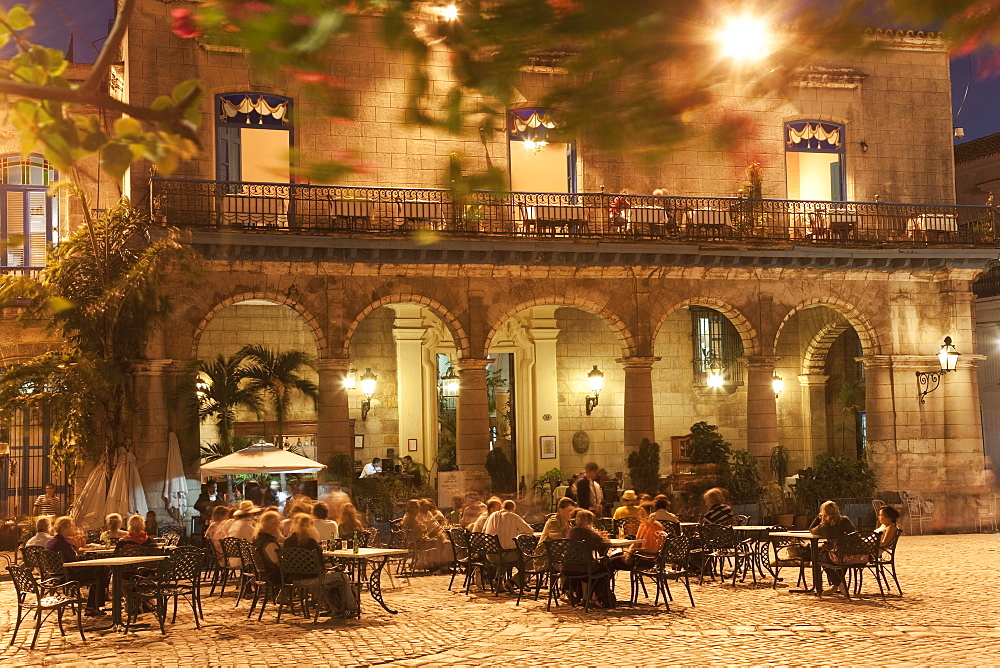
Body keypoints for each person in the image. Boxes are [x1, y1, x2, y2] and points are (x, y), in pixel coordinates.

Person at [283, 513, 358, 616]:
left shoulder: (287, 542)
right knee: (342, 577)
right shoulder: (311, 543)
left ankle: (335, 609)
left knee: (325, 580)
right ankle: (352, 608)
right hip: (313, 579)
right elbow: (320, 563)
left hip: (295, 579)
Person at [46, 516, 109, 614]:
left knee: (100, 569)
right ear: (65, 528)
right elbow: (73, 561)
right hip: (69, 575)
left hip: (57, 574)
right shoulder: (63, 543)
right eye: (72, 526)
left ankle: (96, 604)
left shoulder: (52, 541)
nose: (74, 529)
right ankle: (93, 606)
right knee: (100, 571)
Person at [565, 509, 615, 608]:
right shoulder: (589, 533)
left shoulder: (571, 531)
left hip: (567, 567)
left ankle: (585, 597)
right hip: (584, 568)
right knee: (605, 569)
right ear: (590, 520)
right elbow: (600, 542)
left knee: (587, 565)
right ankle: (595, 597)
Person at [810, 500, 859, 596]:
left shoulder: (824, 527)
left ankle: (837, 583)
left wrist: (817, 518)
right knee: (841, 557)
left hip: (836, 555)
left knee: (817, 557)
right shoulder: (845, 520)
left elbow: (811, 529)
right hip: (850, 554)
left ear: (824, 513)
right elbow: (854, 534)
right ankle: (837, 584)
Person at [401, 499, 452, 570]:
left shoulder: (411, 516)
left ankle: (440, 564)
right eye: (416, 507)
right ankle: (440, 565)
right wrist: (426, 529)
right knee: (441, 542)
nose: (419, 509)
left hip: (417, 541)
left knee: (441, 539)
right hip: (416, 543)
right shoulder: (410, 518)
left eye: (419, 507)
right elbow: (421, 530)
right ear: (410, 508)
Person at [252, 510, 284, 589]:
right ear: (271, 525)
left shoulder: (259, 539)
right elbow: (278, 564)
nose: (279, 526)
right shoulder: (269, 543)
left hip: (263, 573)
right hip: (274, 576)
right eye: (277, 523)